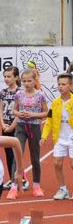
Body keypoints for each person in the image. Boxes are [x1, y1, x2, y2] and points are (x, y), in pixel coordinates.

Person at [11, 67, 47, 198]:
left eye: (29, 81)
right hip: (20, 126)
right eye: (24, 81)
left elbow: (46, 113)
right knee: (17, 155)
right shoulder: (18, 94)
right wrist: (19, 113)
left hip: (35, 127)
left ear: (35, 81)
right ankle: (14, 186)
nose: (26, 83)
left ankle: (36, 185)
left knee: (35, 157)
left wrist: (33, 114)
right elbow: (14, 110)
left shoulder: (40, 95)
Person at [40, 72, 73, 200]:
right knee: (57, 163)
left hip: (72, 138)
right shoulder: (55, 103)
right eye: (59, 84)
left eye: (63, 84)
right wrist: (44, 136)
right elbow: (49, 121)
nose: (60, 87)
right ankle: (63, 189)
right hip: (60, 138)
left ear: (70, 85)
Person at [0, 66, 20, 190]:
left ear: (16, 77)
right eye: (5, 76)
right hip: (5, 126)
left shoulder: (20, 92)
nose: (6, 79)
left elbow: (20, 110)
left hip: (16, 126)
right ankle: (12, 179)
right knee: (8, 154)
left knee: (16, 153)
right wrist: (2, 124)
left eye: (9, 76)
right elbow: (1, 109)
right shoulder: (2, 92)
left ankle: (18, 177)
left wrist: (12, 126)